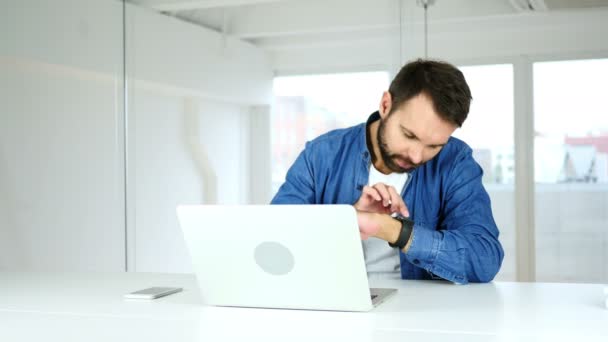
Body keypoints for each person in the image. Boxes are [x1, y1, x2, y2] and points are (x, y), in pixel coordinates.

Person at [271, 59, 504, 284]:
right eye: (409, 135)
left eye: (434, 146)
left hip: (423, 312)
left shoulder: (455, 160)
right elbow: (273, 244)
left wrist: (395, 231)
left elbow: (485, 259)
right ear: (385, 105)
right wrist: (346, 221)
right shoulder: (321, 155)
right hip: (332, 304)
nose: (416, 156)